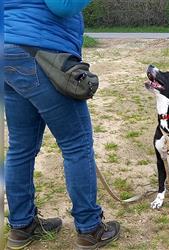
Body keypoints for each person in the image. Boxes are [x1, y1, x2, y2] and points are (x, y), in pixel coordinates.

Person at [4, 1, 120, 249]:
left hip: (9, 51)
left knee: (20, 149)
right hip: (42, 53)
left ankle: (21, 226)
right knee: (76, 146)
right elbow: (63, 5)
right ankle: (90, 229)